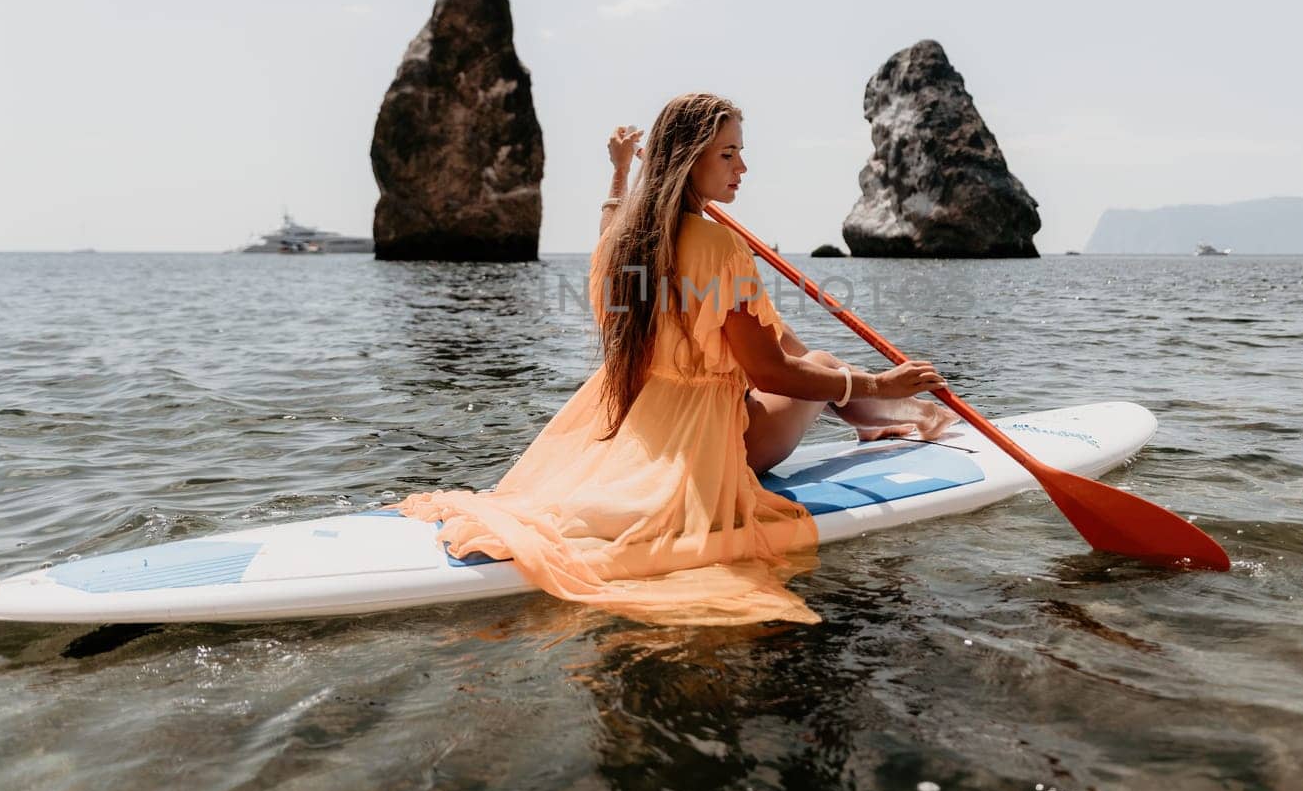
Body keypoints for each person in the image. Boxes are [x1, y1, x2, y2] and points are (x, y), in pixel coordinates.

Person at [395, 93, 955, 625]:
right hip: (703, 442)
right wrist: (881, 382)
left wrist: (618, 170)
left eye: (741, 152)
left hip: (629, 430)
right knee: (821, 358)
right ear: (689, 160)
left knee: (779, 333)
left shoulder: (626, 241)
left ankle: (887, 423)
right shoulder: (718, 246)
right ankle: (896, 414)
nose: (742, 168)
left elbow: (610, 222)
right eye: (728, 153)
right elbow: (771, 374)